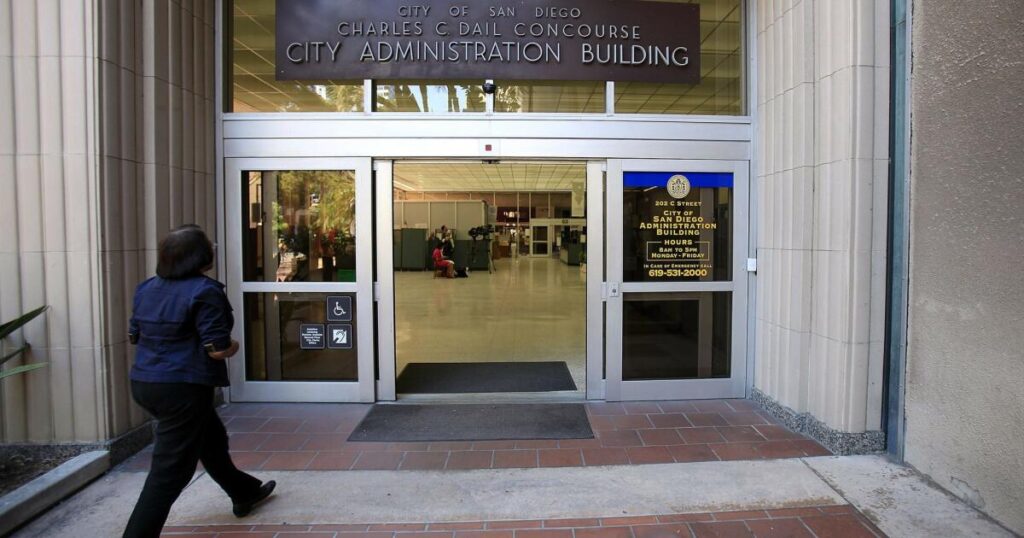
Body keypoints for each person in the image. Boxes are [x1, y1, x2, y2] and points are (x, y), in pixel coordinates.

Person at [124, 225, 275, 538]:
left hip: (144, 382)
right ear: (201, 256)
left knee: (211, 439)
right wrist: (235, 346)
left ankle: (243, 491)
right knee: (170, 473)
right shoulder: (204, 291)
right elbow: (218, 349)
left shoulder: (147, 287)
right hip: (182, 388)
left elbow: (134, 334)